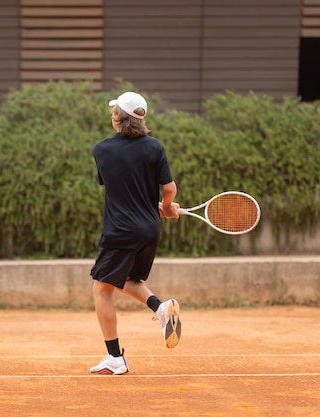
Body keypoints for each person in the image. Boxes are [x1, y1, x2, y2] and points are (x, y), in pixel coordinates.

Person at [89, 91, 181, 375]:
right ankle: (160, 306)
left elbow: (120, 188)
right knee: (126, 279)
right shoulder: (155, 147)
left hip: (121, 231)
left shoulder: (102, 150)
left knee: (101, 288)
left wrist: (162, 204)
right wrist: (166, 207)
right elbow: (169, 189)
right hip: (149, 229)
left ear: (118, 118)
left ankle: (115, 357)